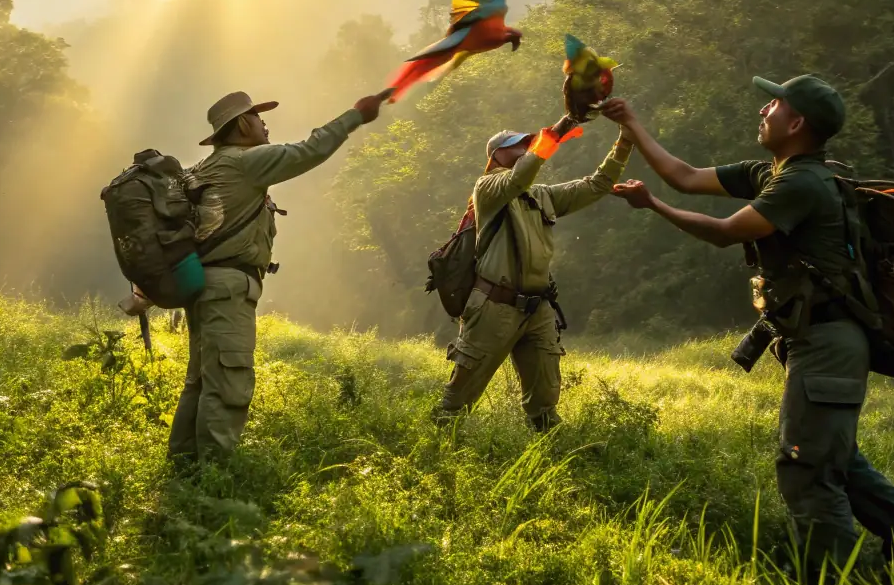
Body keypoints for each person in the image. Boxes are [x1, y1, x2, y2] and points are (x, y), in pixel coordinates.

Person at [603, 76, 894, 575]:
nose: (763, 109)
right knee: (839, 463)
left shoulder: (802, 184)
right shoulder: (774, 172)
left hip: (828, 343)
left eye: (774, 103)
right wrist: (631, 122)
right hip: (817, 340)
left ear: (796, 123)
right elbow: (682, 175)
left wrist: (653, 207)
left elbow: (727, 233)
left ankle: (833, 581)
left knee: (807, 470)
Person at [165, 87, 393, 462]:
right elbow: (309, 150)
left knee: (202, 381)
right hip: (227, 290)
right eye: (257, 116)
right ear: (241, 124)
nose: (264, 123)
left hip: (204, 287)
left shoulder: (203, 168)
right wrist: (355, 116)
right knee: (228, 383)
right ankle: (214, 480)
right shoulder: (245, 162)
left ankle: (184, 469)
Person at [436, 114, 633, 431]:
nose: (526, 148)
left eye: (527, 143)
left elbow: (596, 185)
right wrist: (564, 125)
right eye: (517, 145)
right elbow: (520, 176)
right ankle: (436, 451)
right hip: (492, 307)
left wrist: (625, 140)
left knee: (545, 399)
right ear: (497, 155)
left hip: (537, 308)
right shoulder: (487, 187)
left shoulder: (541, 195)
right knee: (459, 398)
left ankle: (549, 454)